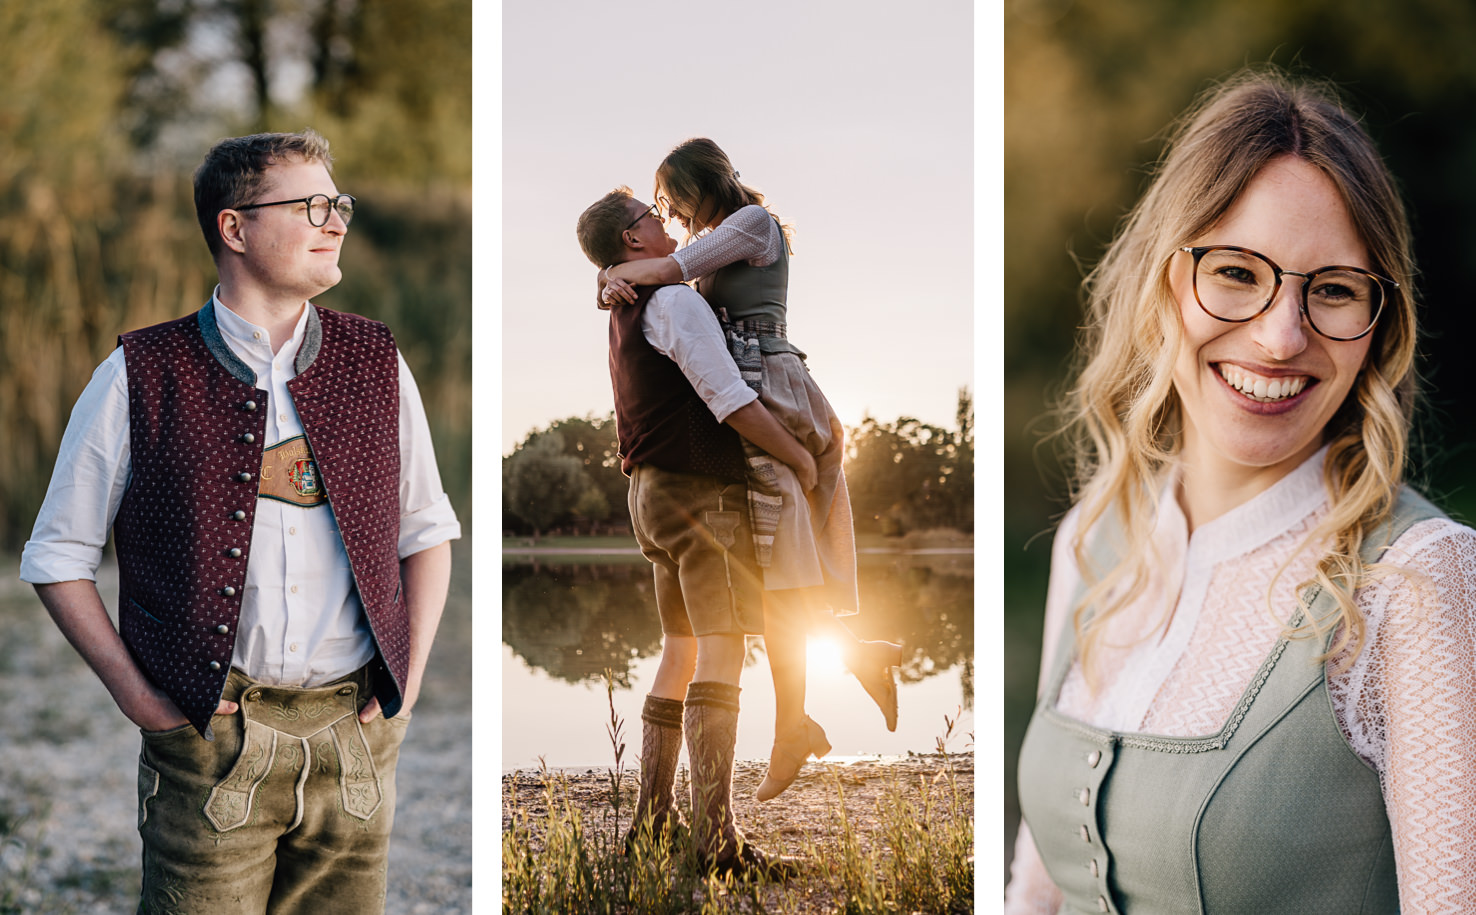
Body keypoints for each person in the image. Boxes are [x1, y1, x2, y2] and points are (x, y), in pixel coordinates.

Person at [1004, 71, 1476, 914]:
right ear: (1166, 283)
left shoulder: (1417, 582)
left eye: (1332, 289)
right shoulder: (1095, 538)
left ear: (1378, 330)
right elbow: (1035, 889)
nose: (1280, 335)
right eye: (1236, 271)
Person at [20, 130, 461, 914]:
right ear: (235, 227)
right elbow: (57, 554)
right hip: (207, 744)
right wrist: (139, 698)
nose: (337, 222)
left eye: (341, 205)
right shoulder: (140, 372)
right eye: (313, 205)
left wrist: (411, 677)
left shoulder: (376, 359)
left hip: (356, 739)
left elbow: (425, 529)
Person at [599, 138, 901, 803]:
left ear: (697, 184)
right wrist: (618, 274)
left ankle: (799, 714)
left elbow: (678, 265)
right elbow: (676, 267)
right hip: (763, 391)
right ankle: (832, 677)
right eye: (658, 209)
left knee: (779, 570)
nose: (669, 215)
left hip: (772, 390)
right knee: (780, 566)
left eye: (671, 201)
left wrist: (616, 275)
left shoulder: (751, 226)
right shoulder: (699, 258)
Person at [577, 185, 819, 875]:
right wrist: (797, 454)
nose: (669, 224)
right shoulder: (675, 300)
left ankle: (653, 819)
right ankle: (717, 840)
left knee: (679, 648)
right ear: (631, 238)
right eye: (653, 217)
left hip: (648, 496)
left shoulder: (628, 306)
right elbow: (729, 398)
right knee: (721, 651)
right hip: (700, 495)